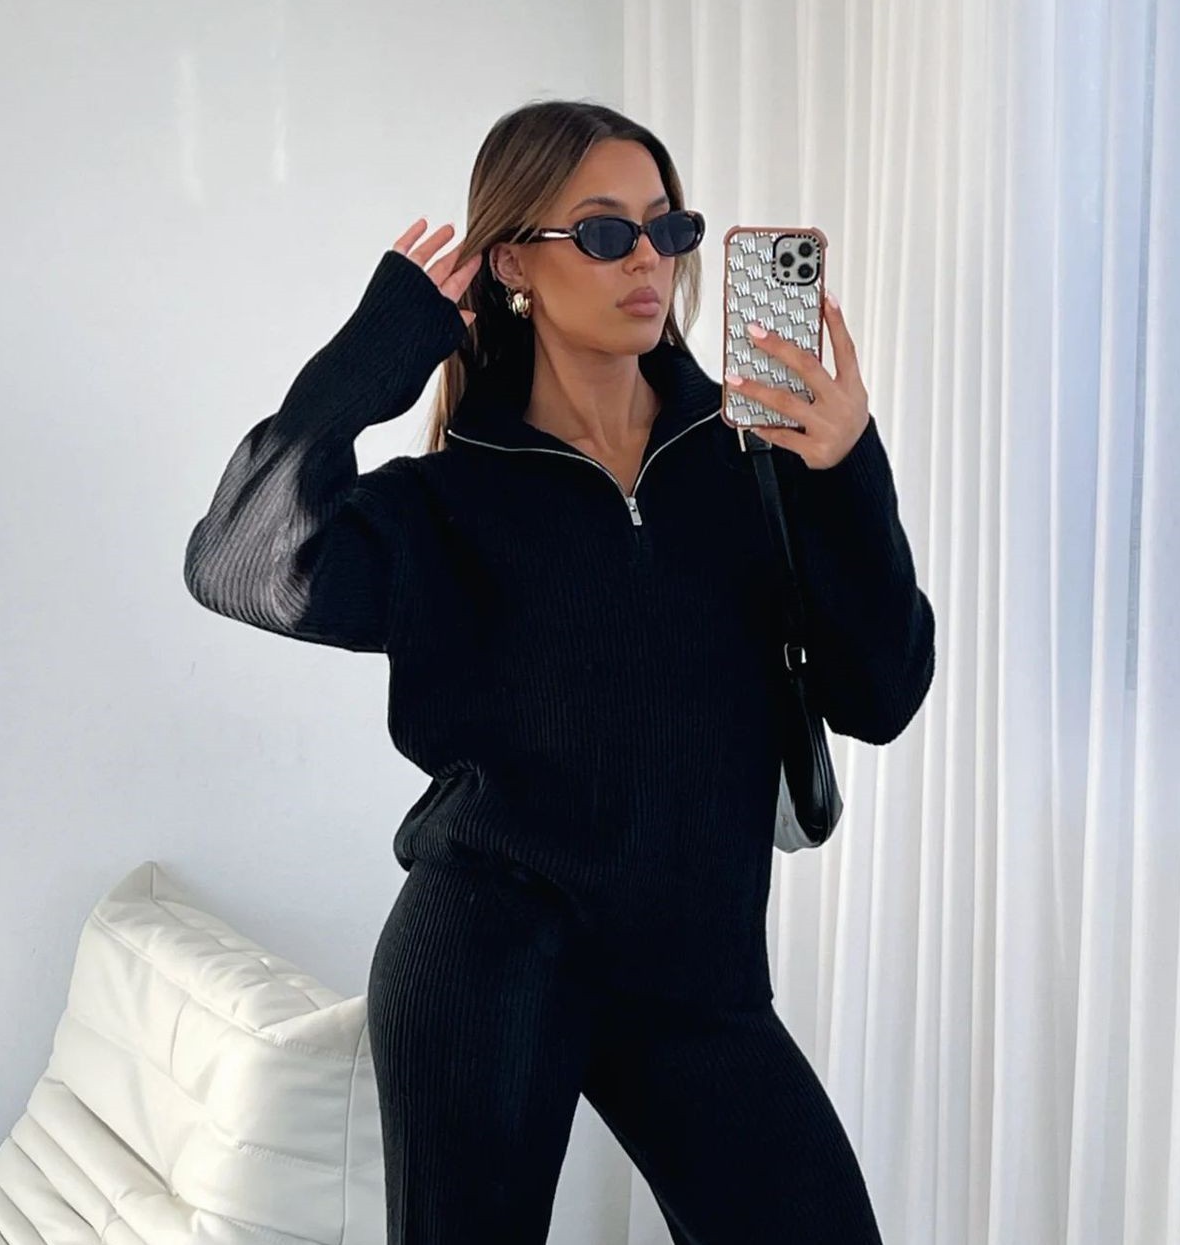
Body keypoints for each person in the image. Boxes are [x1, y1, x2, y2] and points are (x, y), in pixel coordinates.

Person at [184, 97, 934, 1245]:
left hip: (697, 971)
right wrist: (377, 355)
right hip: (488, 956)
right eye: (603, 232)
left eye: (666, 228)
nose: (647, 260)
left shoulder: (754, 461)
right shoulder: (446, 501)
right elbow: (239, 558)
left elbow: (883, 695)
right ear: (512, 266)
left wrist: (845, 469)